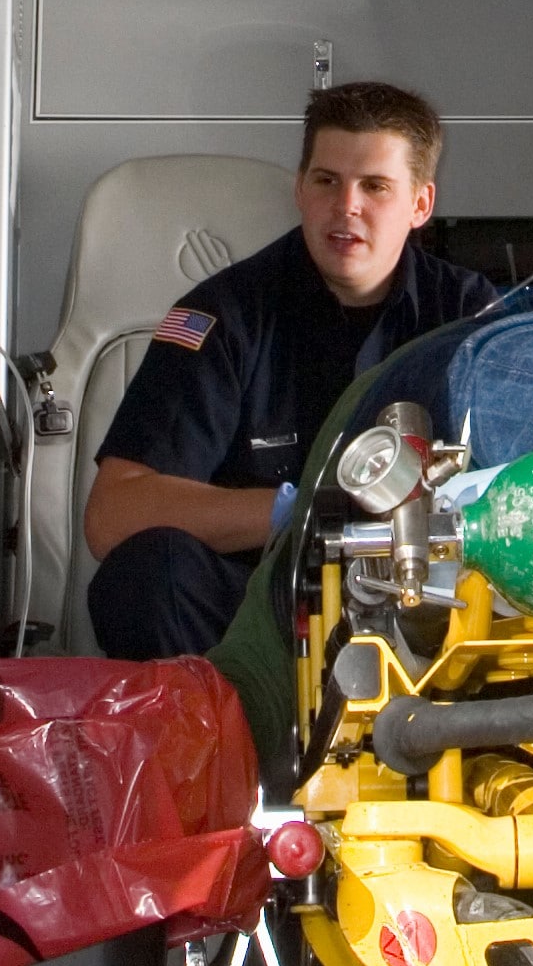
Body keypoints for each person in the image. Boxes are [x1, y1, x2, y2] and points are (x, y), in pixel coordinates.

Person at [81, 81, 497, 662]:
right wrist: (295, 510)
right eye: (327, 181)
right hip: (261, 623)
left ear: (420, 205)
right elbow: (112, 515)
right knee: (147, 576)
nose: (346, 206)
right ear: (300, 189)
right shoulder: (225, 317)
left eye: (375, 186)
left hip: (424, 612)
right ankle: (214, 746)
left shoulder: (473, 318)